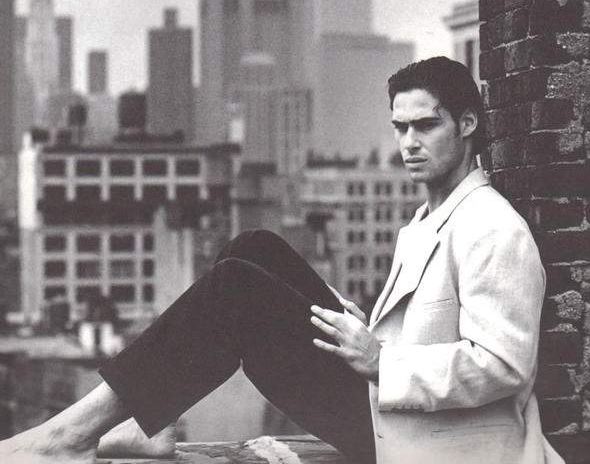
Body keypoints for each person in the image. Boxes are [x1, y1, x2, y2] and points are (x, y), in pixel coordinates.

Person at [0, 57, 563, 464]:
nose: (409, 143)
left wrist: (380, 360)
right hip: (394, 410)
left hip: (432, 443)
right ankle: (151, 423)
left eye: (426, 125)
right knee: (254, 247)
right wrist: (362, 329)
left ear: (467, 125)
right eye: (400, 127)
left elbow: (505, 366)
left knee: (238, 291)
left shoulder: (493, 228)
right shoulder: (428, 218)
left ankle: (71, 436)